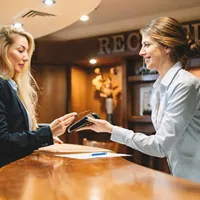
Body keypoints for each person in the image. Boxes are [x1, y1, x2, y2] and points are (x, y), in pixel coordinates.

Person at [78, 17, 200, 183]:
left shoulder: (185, 85)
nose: (141, 52)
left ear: (167, 47)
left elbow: (160, 146)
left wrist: (112, 130)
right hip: (183, 178)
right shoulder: (160, 86)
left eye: (147, 45)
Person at [0, 25, 77, 167]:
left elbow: (17, 128)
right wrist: (47, 132)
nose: (26, 57)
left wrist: (48, 132)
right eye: (20, 50)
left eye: (27, 52)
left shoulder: (11, 85)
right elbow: (3, 142)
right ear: (3, 50)